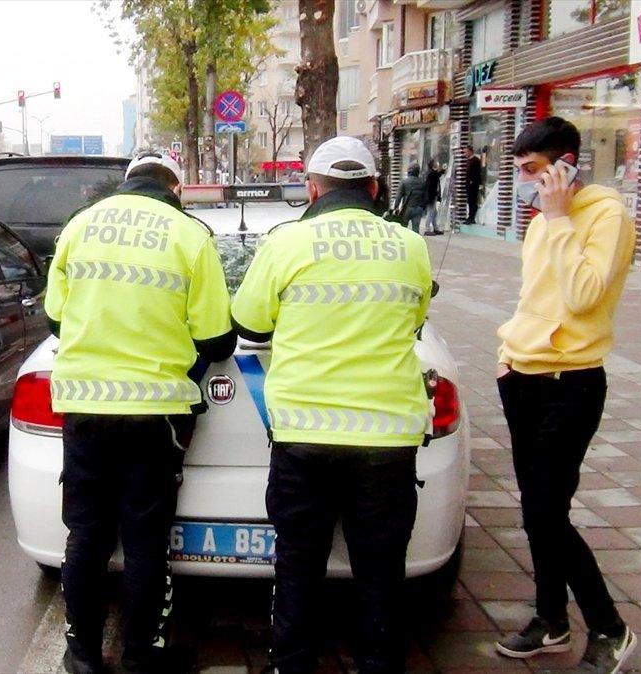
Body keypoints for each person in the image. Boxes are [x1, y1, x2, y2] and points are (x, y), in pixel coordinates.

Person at [232, 136, 432, 674]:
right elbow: (415, 324)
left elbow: (249, 325)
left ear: (312, 189)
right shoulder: (410, 246)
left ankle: (292, 665)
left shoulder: (285, 245)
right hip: (387, 443)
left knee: (298, 566)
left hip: (305, 439)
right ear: (373, 188)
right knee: (381, 571)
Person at [47, 152, 235, 674]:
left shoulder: (79, 226)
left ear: (126, 184)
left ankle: (80, 653)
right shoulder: (190, 235)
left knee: (85, 533)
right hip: (157, 413)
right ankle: (140, 655)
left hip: (85, 408)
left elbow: (55, 319)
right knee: (146, 539)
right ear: (173, 187)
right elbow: (218, 339)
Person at [494, 117, 637, 673]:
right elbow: (535, 297)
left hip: (571, 381)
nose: (528, 184)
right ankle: (552, 618)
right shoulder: (540, 224)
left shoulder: (606, 216)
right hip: (522, 375)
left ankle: (609, 627)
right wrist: (507, 356)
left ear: (565, 165)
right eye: (523, 172)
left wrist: (557, 219)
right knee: (536, 511)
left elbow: (582, 296)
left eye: (534, 171)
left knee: (549, 511)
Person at [395, 164, 429, 234]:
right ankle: (416, 243)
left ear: (409, 172)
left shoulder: (404, 182)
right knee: (416, 230)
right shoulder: (423, 182)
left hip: (406, 208)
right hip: (418, 209)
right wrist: (422, 208)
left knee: (403, 228)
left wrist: (396, 207)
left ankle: (405, 243)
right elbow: (426, 197)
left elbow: (399, 196)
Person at [462, 145, 482, 225]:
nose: (465, 154)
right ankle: (470, 216)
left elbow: (476, 173)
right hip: (468, 185)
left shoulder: (476, 160)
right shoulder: (468, 161)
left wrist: (472, 181)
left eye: (466, 152)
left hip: (473, 185)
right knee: (469, 201)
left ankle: (472, 217)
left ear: (470, 151)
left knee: (473, 201)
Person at [424, 158, 443, 235]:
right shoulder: (432, 173)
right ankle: (427, 228)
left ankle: (435, 228)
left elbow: (437, 175)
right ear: (432, 165)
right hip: (431, 196)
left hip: (431, 195)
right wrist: (442, 171)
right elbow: (437, 175)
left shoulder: (430, 173)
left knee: (434, 212)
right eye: (435, 163)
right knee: (431, 212)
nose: (437, 164)